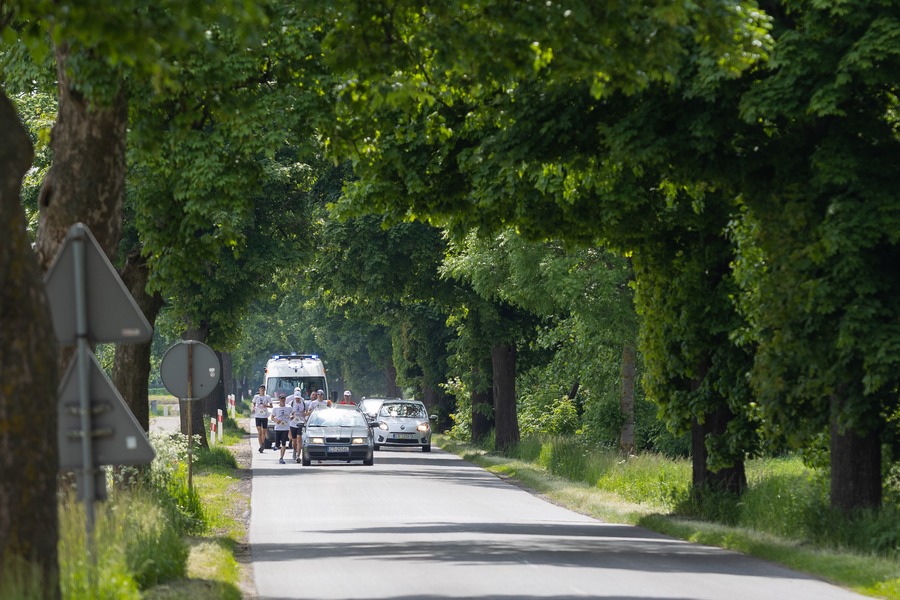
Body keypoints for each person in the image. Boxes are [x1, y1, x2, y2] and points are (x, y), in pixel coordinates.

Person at [269, 393, 292, 464]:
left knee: (284, 443)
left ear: (285, 399)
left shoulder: (289, 407)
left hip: (285, 427)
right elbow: (272, 417)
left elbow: (292, 414)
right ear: (279, 399)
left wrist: (291, 417)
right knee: (277, 444)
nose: (282, 400)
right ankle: (276, 446)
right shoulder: (276, 408)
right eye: (281, 399)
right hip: (278, 428)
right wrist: (276, 420)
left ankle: (281, 458)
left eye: (283, 399)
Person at [251, 385, 272, 453]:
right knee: (259, 432)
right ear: (259, 390)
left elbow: (271, 406)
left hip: (264, 416)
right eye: (261, 389)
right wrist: (253, 408)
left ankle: (262, 443)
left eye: (263, 389)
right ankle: (261, 446)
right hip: (258, 416)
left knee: (264, 432)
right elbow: (253, 403)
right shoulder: (256, 397)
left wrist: (266, 405)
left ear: (264, 390)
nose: (262, 390)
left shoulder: (267, 397)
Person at [289, 390, 308, 462]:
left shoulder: (304, 403)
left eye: (298, 398)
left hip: (301, 423)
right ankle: (294, 450)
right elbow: (288, 413)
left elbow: (307, 412)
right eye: (296, 398)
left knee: (299, 438)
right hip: (293, 423)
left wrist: (305, 414)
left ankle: (298, 456)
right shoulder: (291, 403)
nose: (297, 399)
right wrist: (291, 416)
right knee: (294, 440)